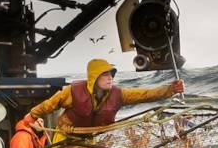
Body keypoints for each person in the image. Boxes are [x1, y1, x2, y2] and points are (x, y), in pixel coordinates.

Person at [19, 58, 183, 141]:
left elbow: (145, 94)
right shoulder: (73, 91)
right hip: (65, 136)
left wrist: (170, 90)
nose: (109, 78)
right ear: (94, 78)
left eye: (111, 74)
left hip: (90, 137)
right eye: (105, 75)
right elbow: (50, 104)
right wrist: (32, 116)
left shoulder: (118, 94)